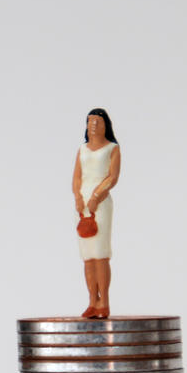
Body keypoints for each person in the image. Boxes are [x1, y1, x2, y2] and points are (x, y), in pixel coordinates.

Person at [72, 108, 121, 319]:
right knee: (88, 256)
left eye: (97, 122)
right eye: (90, 122)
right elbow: (76, 178)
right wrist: (78, 197)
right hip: (82, 207)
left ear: (105, 125)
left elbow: (112, 177)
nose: (93, 126)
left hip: (99, 205)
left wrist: (96, 196)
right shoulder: (82, 149)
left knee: (100, 255)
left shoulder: (112, 148)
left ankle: (104, 302)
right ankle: (92, 300)